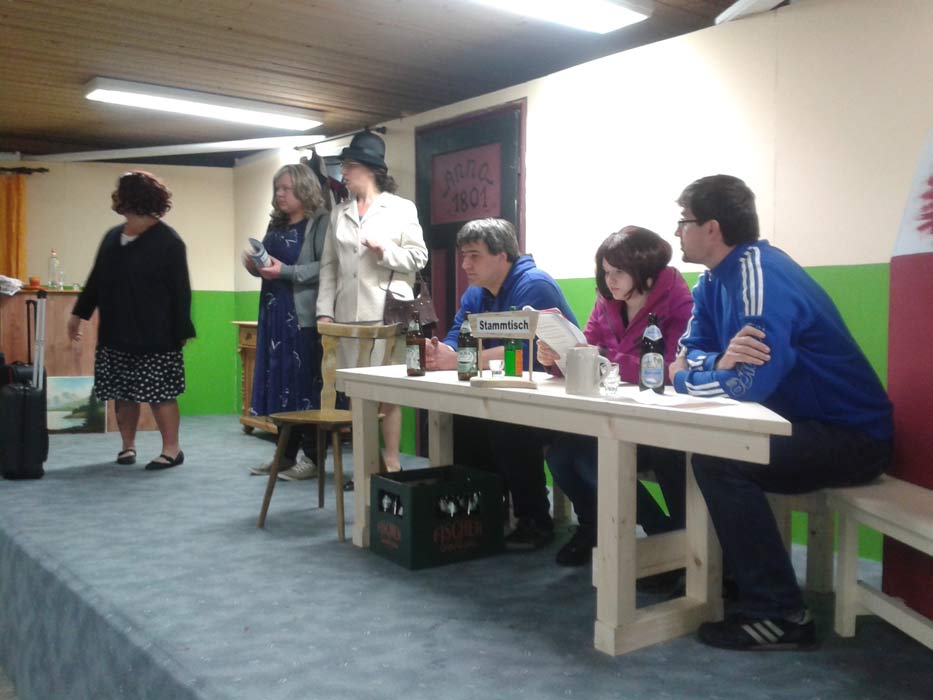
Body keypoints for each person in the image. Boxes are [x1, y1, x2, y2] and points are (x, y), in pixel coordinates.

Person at [669, 174, 893, 650]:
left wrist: (692, 376)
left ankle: (780, 613)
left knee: (719, 460)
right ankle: (736, 577)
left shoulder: (760, 276)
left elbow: (749, 384)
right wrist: (716, 363)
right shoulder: (710, 282)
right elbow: (683, 356)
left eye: (683, 221)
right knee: (706, 449)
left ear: (712, 228)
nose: (677, 232)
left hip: (851, 437)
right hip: (796, 425)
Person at [537, 227, 693, 566]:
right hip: (614, 417)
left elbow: (669, 368)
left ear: (645, 270)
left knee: (592, 458)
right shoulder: (605, 302)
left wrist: (602, 359)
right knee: (561, 456)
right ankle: (597, 527)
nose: (610, 281)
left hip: (662, 421)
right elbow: (585, 349)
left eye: (618, 272)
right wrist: (555, 359)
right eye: (606, 272)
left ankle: (664, 544)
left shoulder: (678, 300)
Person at [425, 218, 578, 550]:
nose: (465, 265)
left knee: (508, 425)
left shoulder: (534, 285)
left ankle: (534, 520)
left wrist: (463, 359)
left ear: (502, 255)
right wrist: (440, 352)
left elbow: (528, 353)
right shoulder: (475, 293)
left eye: (474, 256)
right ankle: (483, 513)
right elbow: (457, 336)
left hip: (556, 399)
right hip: (506, 396)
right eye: (463, 256)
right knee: (464, 419)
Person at [316, 130, 428, 481]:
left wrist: (385, 250)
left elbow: (418, 257)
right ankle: (366, 464)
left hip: (387, 314)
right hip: (347, 316)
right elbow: (329, 266)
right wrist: (325, 310)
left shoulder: (401, 208)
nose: (343, 174)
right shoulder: (339, 212)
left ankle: (391, 463)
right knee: (357, 393)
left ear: (368, 169)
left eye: (348, 167)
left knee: (388, 392)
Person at [68, 171, 195, 470]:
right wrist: (78, 314)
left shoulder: (169, 241)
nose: (115, 197)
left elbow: (181, 291)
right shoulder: (113, 237)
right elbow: (96, 280)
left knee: (161, 394)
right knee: (123, 393)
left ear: (132, 198)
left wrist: (180, 331)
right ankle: (128, 446)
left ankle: (172, 450)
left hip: (156, 335)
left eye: (120, 192)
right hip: (116, 332)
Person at [244, 163, 329, 481]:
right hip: (273, 312)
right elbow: (271, 264)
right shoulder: (276, 222)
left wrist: (286, 272)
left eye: (286, 189)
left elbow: (327, 267)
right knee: (279, 383)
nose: (279, 194)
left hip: (303, 316)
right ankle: (284, 455)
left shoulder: (320, 222)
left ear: (304, 189)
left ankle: (313, 458)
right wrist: (256, 266)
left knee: (305, 385)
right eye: (277, 188)